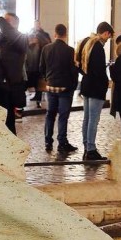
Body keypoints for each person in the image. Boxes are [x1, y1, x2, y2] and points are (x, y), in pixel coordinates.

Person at [76, 21, 115, 160]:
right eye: (109, 36)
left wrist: (86, 74)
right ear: (106, 33)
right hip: (96, 87)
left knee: (87, 118)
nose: (108, 39)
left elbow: (78, 64)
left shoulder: (86, 42)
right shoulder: (98, 46)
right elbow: (99, 70)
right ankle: (91, 150)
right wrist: (106, 82)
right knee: (93, 119)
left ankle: (86, 147)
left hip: (86, 84)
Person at [39, 23, 78, 154]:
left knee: (50, 115)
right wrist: (73, 85)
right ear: (65, 34)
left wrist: (47, 79)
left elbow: (41, 67)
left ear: (55, 34)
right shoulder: (70, 50)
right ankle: (62, 143)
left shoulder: (46, 48)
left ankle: (48, 142)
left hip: (51, 87)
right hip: (65, 88)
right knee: (63, 116)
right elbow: (73, 71)